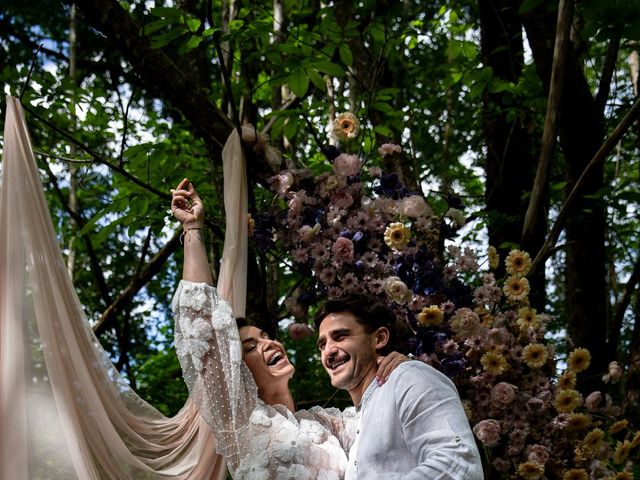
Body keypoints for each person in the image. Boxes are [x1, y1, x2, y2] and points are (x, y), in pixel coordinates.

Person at [170, 178, 407, 480]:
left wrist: (396, 370)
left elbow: (381, 419)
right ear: (236, 370)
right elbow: (202, 321)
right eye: (250, 346)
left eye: (267, 337)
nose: (269, 344)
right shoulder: (242, 418)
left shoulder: (327, 423)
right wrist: (192, 229)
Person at [315, 294, 485, 480]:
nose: (328, 351)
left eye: (340, 336)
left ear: (379, 338)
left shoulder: (409, 377)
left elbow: (457, 464)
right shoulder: (353, 422)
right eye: (322, 345)